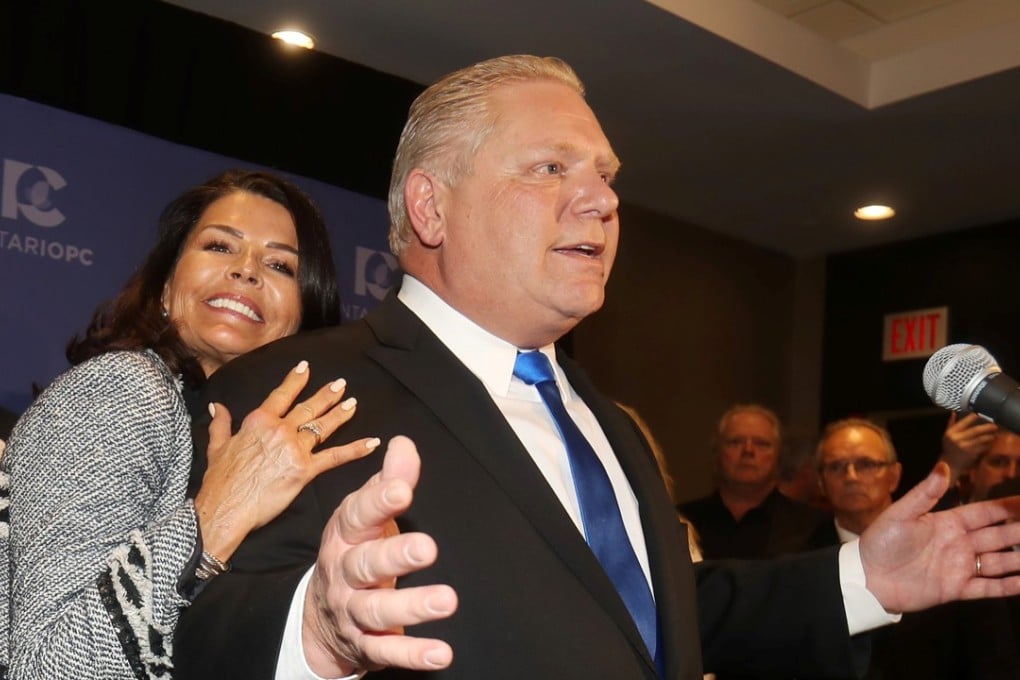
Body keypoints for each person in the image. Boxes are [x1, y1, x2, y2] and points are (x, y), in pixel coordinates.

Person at [174, 56, 1020, 680]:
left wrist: (865, 577)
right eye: (550, 168)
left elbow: (659, 624)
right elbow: (179, 640)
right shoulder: (288, 396)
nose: (604, 201)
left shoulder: (606, 423)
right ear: (432, 205)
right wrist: (317, 629)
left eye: (606, 177)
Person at [0, 170, 454, 679]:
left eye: (280, 265)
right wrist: (217, 512)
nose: (247, 271)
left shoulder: (265, 450)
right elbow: (49, 667)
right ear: (168, 285)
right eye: (220, 247)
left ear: (305, 318)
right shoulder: (127, 389)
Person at [815, 418, 1020, 679]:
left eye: (866, 464)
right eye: (837, 467)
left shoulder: (945, 546)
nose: (851, 477)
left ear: (894, 475)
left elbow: (995, 659)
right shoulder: (800, 557)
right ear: (820, 482)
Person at [678, 404, 830, 559]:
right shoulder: (681, 522)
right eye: (735, 442)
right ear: (717, 453)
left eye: (761, 444)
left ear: (779, 455)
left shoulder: (812, 526)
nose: (748, 451)